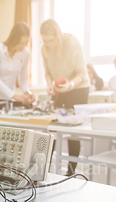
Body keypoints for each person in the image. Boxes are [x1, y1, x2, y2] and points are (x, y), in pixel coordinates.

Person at [40, 19, 90, 176]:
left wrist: (70, 85)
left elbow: (82, 73)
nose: (48, 44)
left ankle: (71, 172)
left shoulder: (72, 42)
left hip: (78, 88)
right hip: (60, 89)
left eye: (51, 40)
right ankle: (45, 170)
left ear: (58, 35)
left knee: (72, 131)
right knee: (52, 129)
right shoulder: (45, 49)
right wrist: (49, 84)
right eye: (45, 40)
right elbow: (47, 72)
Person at [0, 22, 35, 107]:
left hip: (7, 98)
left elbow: (22, 79)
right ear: (14, 39)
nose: (23, 46)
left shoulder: (26, 53)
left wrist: (28, 93)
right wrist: (14, 96)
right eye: (21, 43)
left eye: (26, 43)